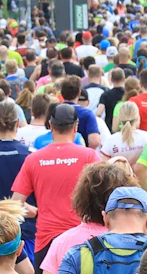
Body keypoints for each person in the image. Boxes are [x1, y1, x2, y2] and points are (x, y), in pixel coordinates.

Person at [13, 104, 101, 255]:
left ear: (51, 126)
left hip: (47, 240)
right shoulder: (89, 156)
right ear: (76, 127)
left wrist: (35, 212)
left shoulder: (33, 159)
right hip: (81, 239)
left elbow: (15, 203)